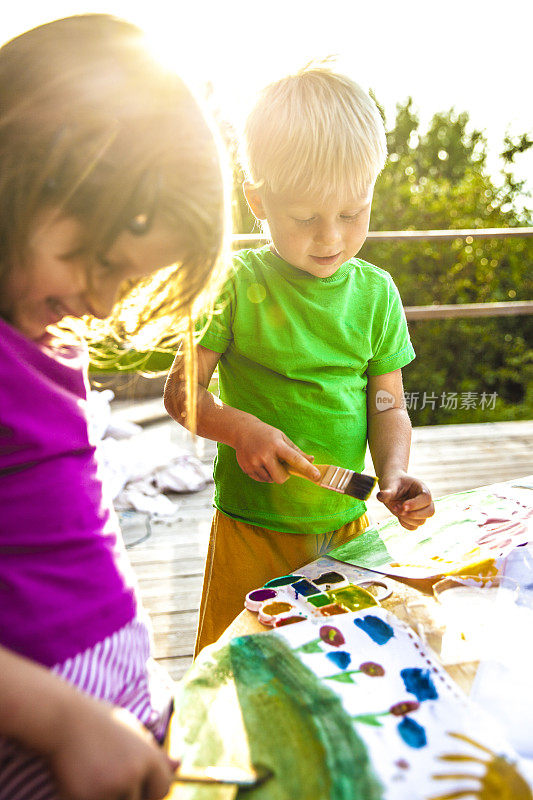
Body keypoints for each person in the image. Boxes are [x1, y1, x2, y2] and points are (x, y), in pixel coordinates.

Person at [0, 14, 228, 800]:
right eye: (90, 261)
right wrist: (64, 721)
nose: (98, 303)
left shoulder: (49, 332)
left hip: (117, 718)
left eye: (124, 282)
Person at [164, 65, 435, 655]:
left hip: (348, 529)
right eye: (306, 218)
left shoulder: (377, 294)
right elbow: (182, 394)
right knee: (243, 672)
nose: (331, 238)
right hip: (250, 531)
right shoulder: (232, 284)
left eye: (352, 213)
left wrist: (392, 474)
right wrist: (242, 429)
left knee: (349, 670)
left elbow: (388, 404)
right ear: (258, 200)